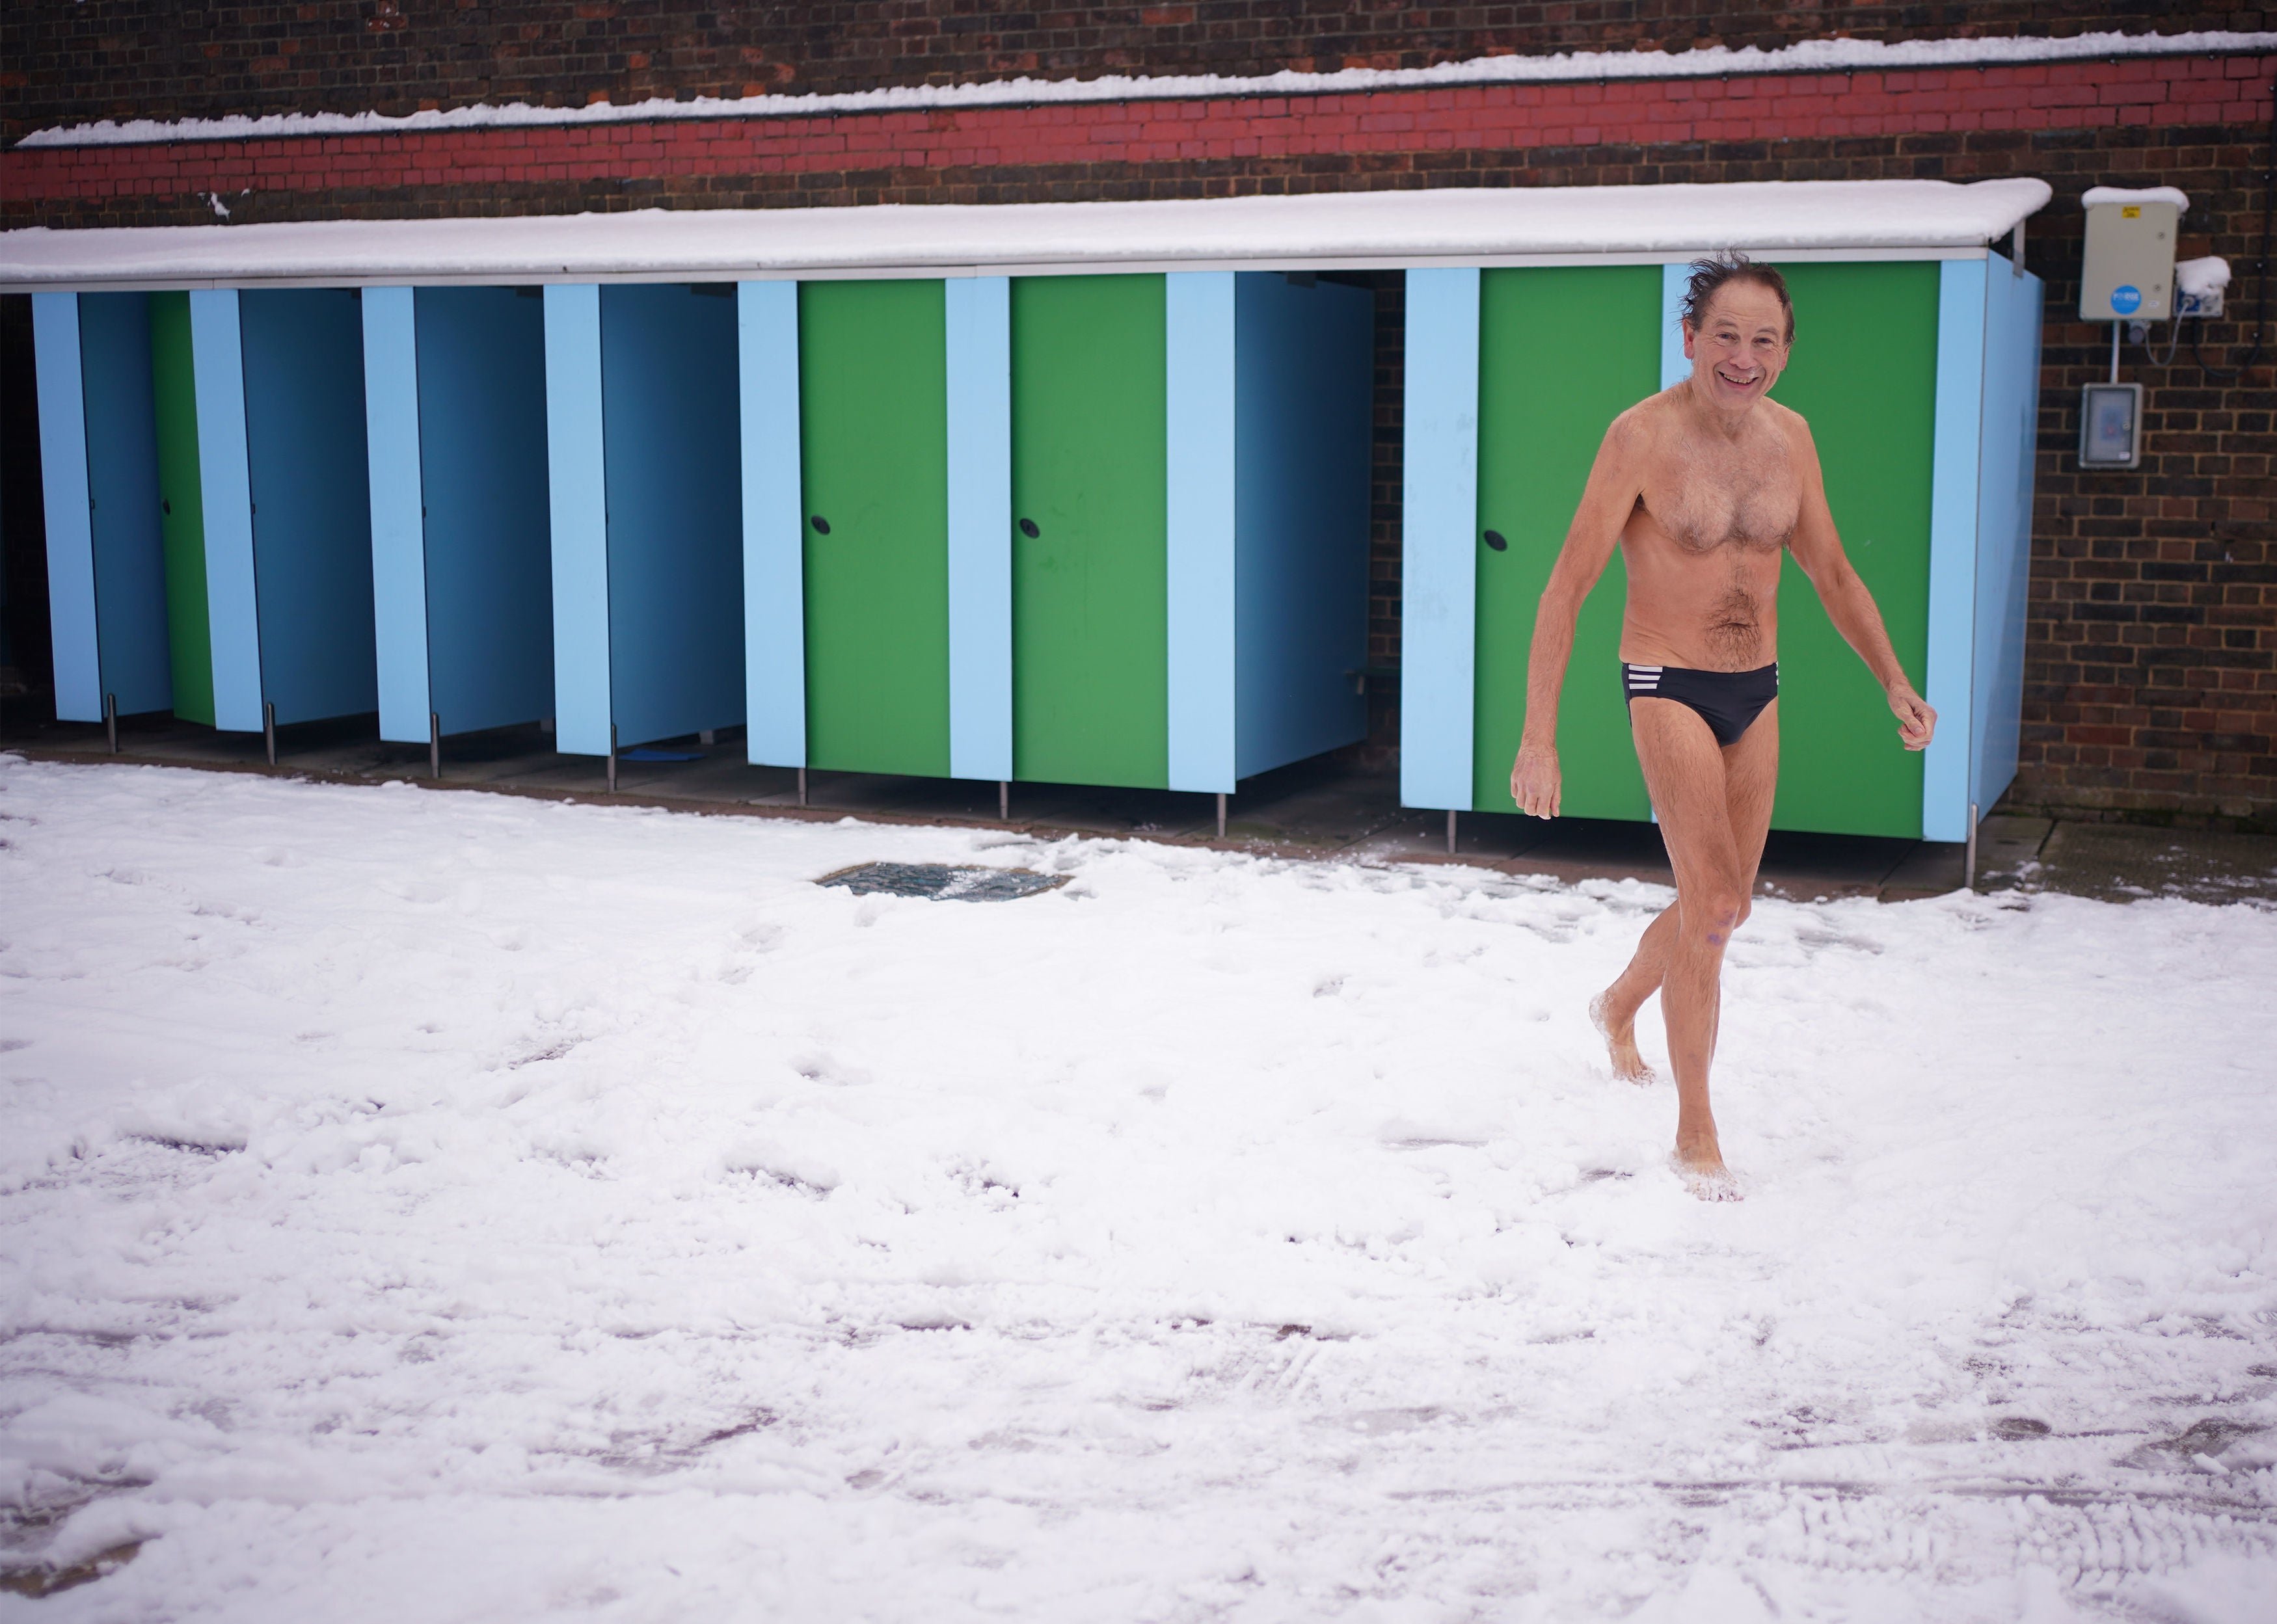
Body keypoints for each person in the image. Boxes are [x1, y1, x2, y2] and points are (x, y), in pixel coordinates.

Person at [1507, 253, 1935, 1199]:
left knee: (1727, 903)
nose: (1745, 357)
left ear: (1785, 351)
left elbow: (1832, 574)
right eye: (1727, 336)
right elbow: (1565, 587)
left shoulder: (1794, 440)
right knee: (1709, 909)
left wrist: (1894, 681)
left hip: (1760, 692)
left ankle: (1617, 1005)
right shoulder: (1640, 437)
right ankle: (1696, 1127)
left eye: (1765, 340)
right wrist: (1539, 735)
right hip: (1667, 681)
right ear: (1691, 338)